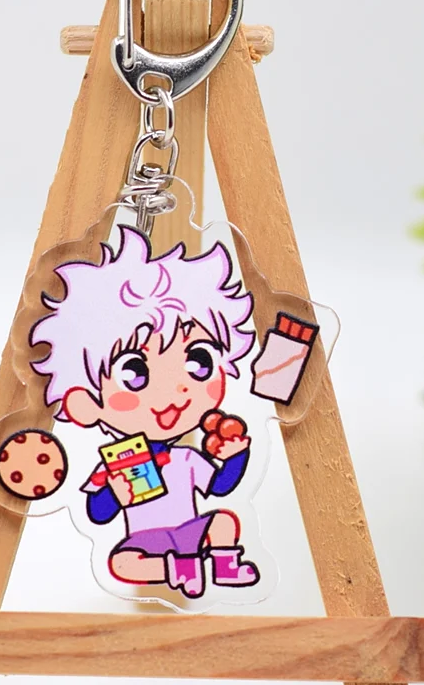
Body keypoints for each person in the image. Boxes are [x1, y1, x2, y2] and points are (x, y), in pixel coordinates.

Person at [31, 226, 260, 598]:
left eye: (198, 362)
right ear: (85, 403)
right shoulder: (119, 463)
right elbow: (98, 511)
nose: (175, 392)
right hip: (144, 542)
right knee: (123, 564)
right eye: (134, 373)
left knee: (223, 523)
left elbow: (219, 485)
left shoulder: (185, 457)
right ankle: (176, 569)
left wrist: (237, 455)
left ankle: (223, 566)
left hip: (191, 532)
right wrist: (115, 494)